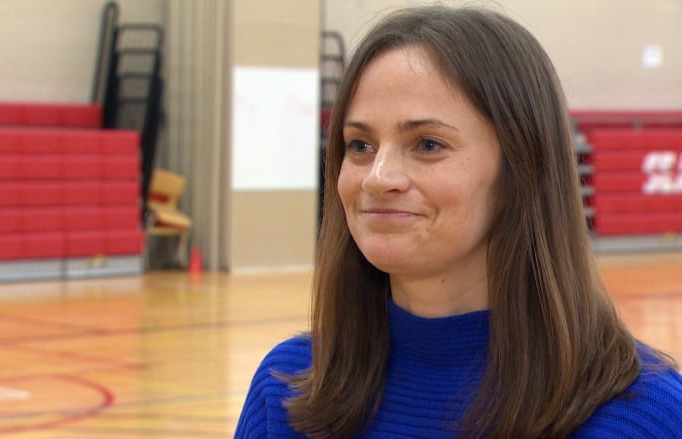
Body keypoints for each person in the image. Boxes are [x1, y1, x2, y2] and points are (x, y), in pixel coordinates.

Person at [234, 5, 682, 439]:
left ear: (520, 168)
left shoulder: (642, 414)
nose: (378, 177)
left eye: (428, 144)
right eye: (360, 145)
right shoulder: (287, 388)